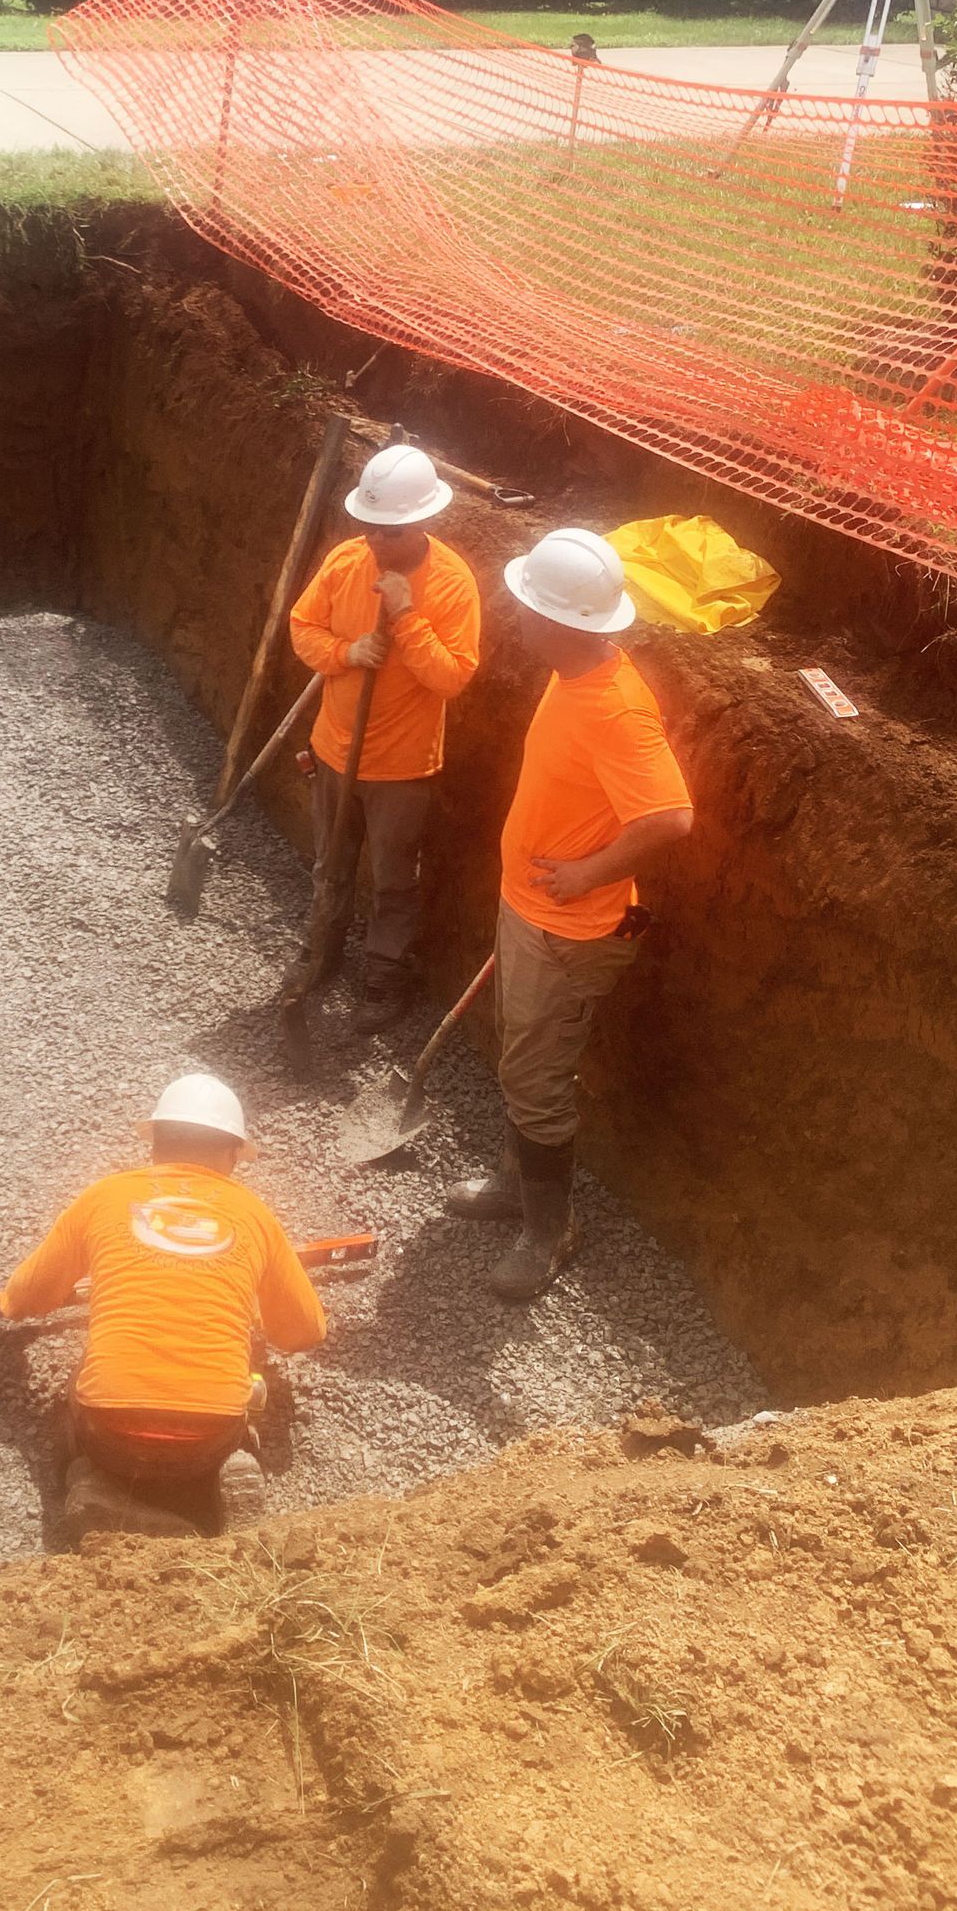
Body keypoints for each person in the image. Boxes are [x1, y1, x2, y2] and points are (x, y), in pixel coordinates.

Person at [447, 528, 693, 1302]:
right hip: (530, 912)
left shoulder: (617, 712)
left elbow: (671, 817)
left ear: (563, 621)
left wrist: (586, 872)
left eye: (528, 607)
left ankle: (550, 1231)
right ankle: (520, 1185)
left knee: (536, 1074)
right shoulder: (573, 672)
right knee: (522, 1055)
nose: (516, 616)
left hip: (569, 933)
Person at [0, 1073, 325, 1539]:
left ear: (154, 1145)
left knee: (81, 1380)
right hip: (209, 1440)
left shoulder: (104, 1197)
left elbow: (23, 1298)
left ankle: (94, 1483)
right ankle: (229, 1464)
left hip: (113, 1435)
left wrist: (12, 1304)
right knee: (248, 1384)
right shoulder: (255, 1216)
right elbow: (304, 1332)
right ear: (234, 1155)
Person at [289, 443, 482, 1035]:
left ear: (423, 521)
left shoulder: (451, 584)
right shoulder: (347, 561)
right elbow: (302, 627)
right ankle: (322, 951)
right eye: (370, 529)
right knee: (332, 862)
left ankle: (384, 973)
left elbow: (452, 677)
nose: (377, 543)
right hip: (333, 750)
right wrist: (347, 653)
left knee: (395, 878)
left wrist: (404, 618)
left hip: (402, 768)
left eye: (391, 533)